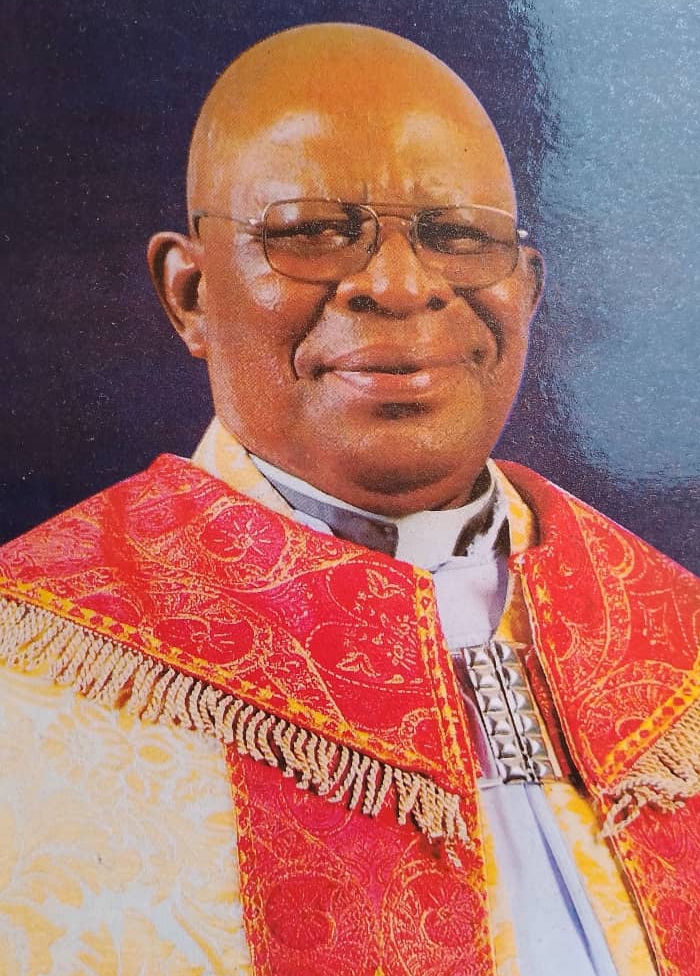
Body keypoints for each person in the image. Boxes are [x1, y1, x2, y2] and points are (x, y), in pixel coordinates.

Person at [0, 22, 698, 976]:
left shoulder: (674, 634)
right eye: (312, 233)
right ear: (190, 295)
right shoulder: (30, 666)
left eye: (459, 237)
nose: (401, 286)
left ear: (527, 289)